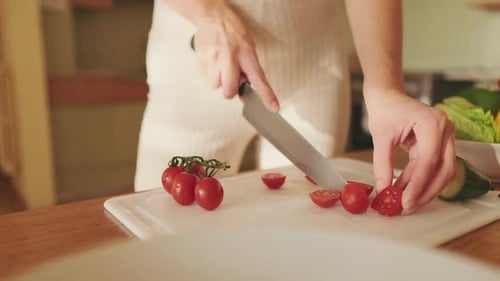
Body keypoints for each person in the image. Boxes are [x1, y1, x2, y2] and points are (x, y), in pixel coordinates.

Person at [134, 0, 456, 214]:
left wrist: (385, 86)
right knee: (162, 233)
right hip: (197, 62)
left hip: (315, 71)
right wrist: (208, 12)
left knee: (304, 241)